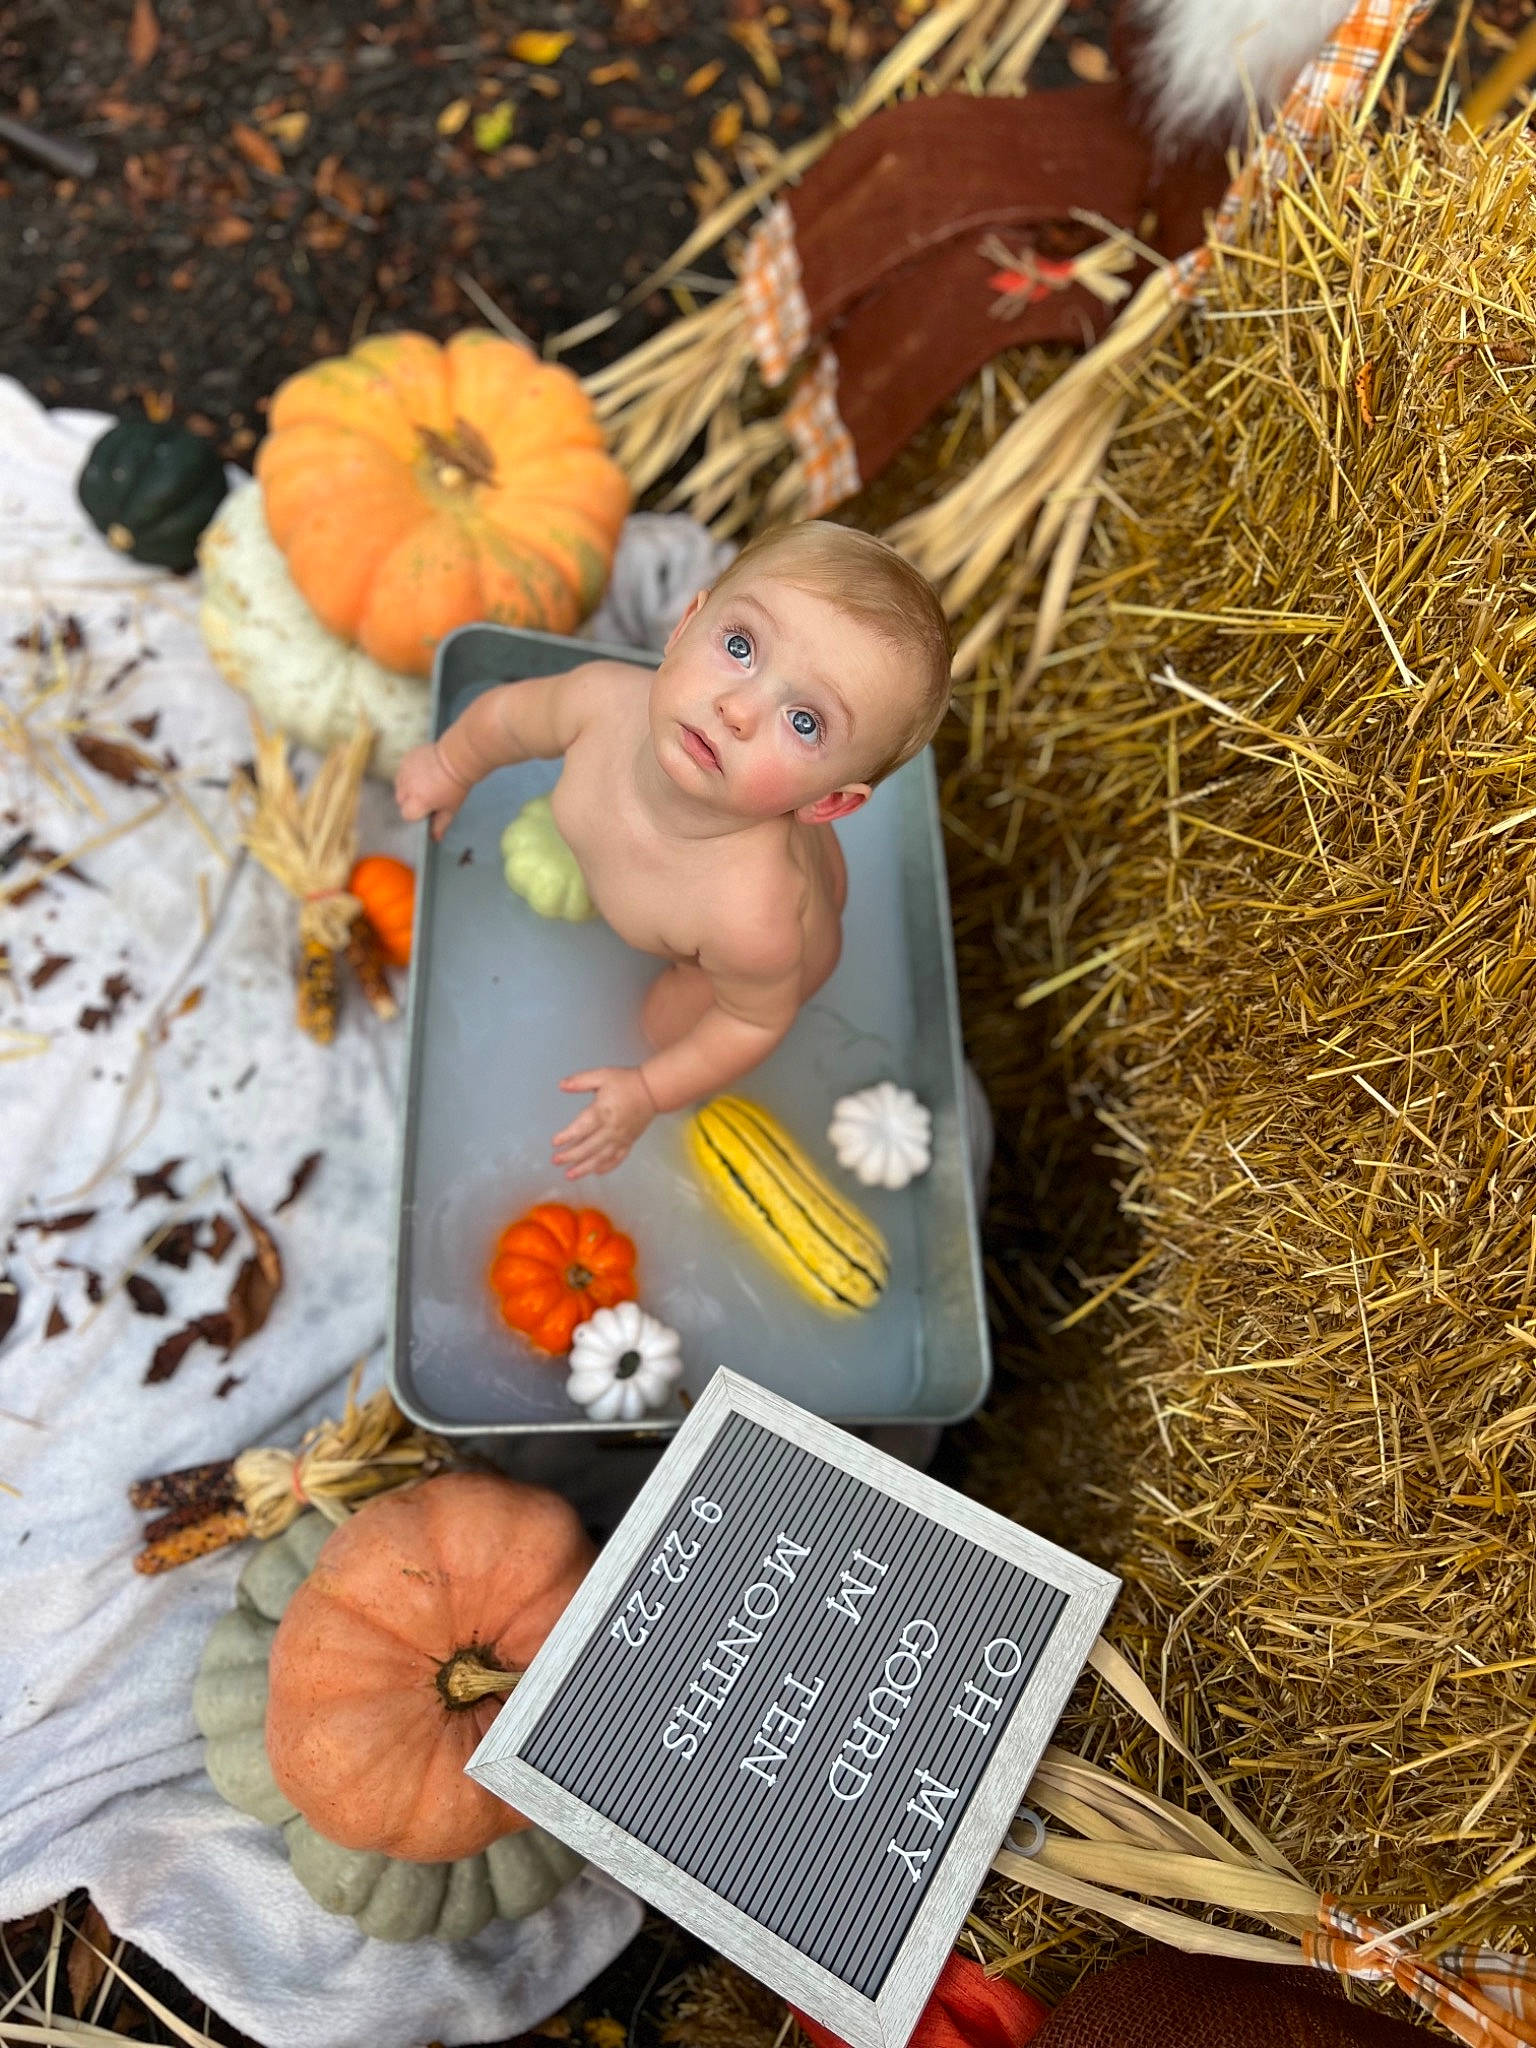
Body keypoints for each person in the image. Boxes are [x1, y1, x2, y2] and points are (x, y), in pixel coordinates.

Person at [394, 521, 951, 1179]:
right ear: (685, 626)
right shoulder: (598, 703)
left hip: (738, 973)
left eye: (805, 722)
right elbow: (508, 719)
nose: (738, 709)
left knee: (661, 1029)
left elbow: (750, 1023)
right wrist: (451, 763)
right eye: (741, 645)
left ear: (827, 803)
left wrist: (650, 1089)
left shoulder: (752, 917)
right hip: (661, 906)